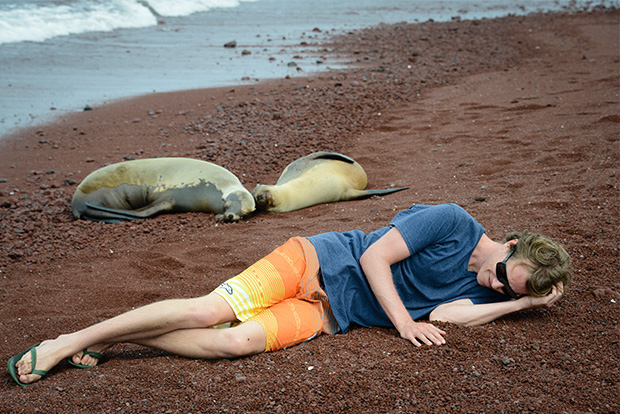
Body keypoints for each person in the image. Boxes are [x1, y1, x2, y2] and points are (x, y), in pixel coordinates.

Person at [8, 203, 571, 386]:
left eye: (505, 289)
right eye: (502, 273)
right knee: (210, 310)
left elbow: (450, 314)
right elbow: (376, 256)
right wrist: (402, 323)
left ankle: (113, 343)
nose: (492, 284)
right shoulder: (451, 223)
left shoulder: (489, 290)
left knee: (235, 345)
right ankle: (67, 341)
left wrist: (520, 304)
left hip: (330, 315)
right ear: (511, 242)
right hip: (315, 260)